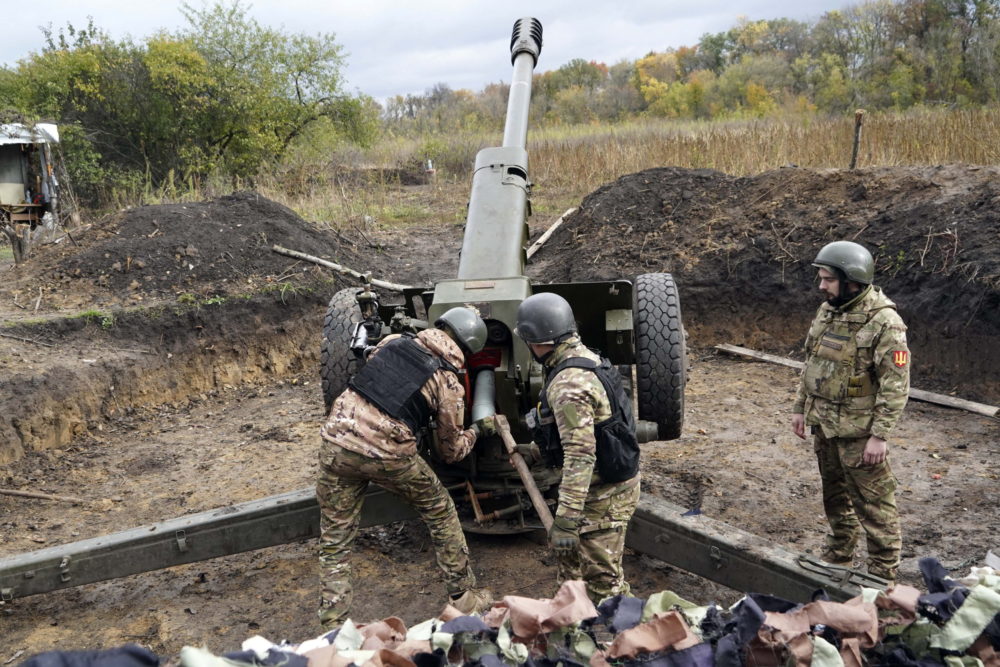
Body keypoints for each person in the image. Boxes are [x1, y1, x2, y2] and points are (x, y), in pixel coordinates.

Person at [316, 306, 494, 628]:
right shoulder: (448, 383)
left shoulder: (393, 342)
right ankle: (464, 599)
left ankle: (331, 624)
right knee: (441, 512)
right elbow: (450, 451)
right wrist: (477, 431)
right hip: (388, 455)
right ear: (467, 349)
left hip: (337, 442)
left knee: (335, 540)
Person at [791, 241, 909, 582]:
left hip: (860, 435)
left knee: (874, 503)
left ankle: (882, 572)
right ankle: (840, 551)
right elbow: (811, 363)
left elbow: (896, 385)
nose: (821, 286)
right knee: (834, 494)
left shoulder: (885, 323)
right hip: (824, 427)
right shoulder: (828, 311)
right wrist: (800, 408)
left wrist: (880, 436)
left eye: (828, 279)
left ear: (851, 279)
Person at [514, 292, 641, 603]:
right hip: (594, 485)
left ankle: (623, 640)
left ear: (537, 339)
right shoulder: (584, 358)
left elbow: (580, 454)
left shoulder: (568, 386)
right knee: (571, 579)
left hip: (602, 497)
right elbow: (580, 432)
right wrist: (534, 449)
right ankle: (572, 623)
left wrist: (567, 521)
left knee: (603, 586)